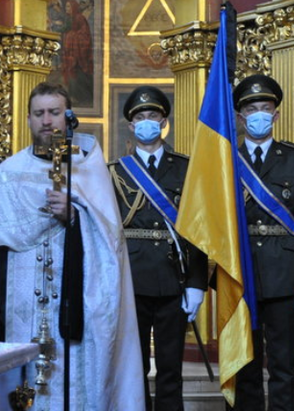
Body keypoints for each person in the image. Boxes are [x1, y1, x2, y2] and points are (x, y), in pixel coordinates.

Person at [0, 82, 144, 409]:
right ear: (27, 119)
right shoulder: (8, 174)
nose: (47, 121)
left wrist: (76, 215)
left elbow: (111, 245)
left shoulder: (89, 171)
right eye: (39, 113)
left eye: (54, 112)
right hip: (19, 308)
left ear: (68, 118)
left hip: (76, 305)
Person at [108, 86, 208, 411]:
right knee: (133, 370)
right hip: (131, 281)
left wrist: (196, 283)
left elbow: (198, 229)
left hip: (172, 281)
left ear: (164, 121)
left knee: (170, 370)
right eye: (140, 117)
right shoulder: (115, 172)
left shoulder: (185, 168)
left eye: (153, 116)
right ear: (130, 125)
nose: (146, 122)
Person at [229, 75, 294, 411]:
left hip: (285, 273)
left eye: (265, 108)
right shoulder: (225, 161)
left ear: (277, 115)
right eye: (251, 109)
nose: (259, 115)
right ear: (240, 117)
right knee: (244, 365)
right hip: (240, 274)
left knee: (283, 367)